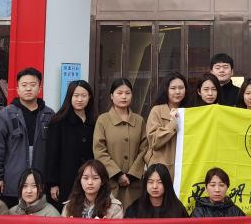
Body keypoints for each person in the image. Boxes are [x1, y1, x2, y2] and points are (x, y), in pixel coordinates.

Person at [0, 67, 55, 208]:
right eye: (24, 85)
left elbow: (55, 151)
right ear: (17, 89)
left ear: (40, 88)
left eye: (33, 85)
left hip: (40, 182)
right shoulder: (5, 115)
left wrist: (54, 181)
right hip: (12, 182)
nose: (28, 88)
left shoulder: (49, 115)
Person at [92, 77, 148, 209]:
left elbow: (144, 149)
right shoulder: (103, 120)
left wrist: (132, 175)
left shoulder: (139, 120)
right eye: (119, 93)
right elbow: (99, 150)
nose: (124, 96)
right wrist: (117, 174)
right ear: (112, 96)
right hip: (110, 183)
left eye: (127, 93)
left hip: (134, 184)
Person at [45, 79, 96, 209]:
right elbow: (52, 154)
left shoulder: (95, 121)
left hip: (90, 179)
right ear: (69, 97)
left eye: (84, 96)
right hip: (65, 179)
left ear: (89, 97)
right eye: (76, 95)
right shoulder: (58, 122)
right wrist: (53, 183)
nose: (80, 99)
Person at [144, 73, 188, 177]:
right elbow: (154, 141)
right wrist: (172, 124)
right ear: (166, 90)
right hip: (160, 169)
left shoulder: (189, 110)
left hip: (185, 168)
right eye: (173, 88)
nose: (177, 92)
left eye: (181, 88)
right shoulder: (157, 110)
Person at [124, 163, 188, 219]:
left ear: (166, 183)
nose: (155, 186)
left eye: (160, 182)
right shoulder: (135, 209)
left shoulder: (177, 208)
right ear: (145, 184)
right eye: (150, 182)